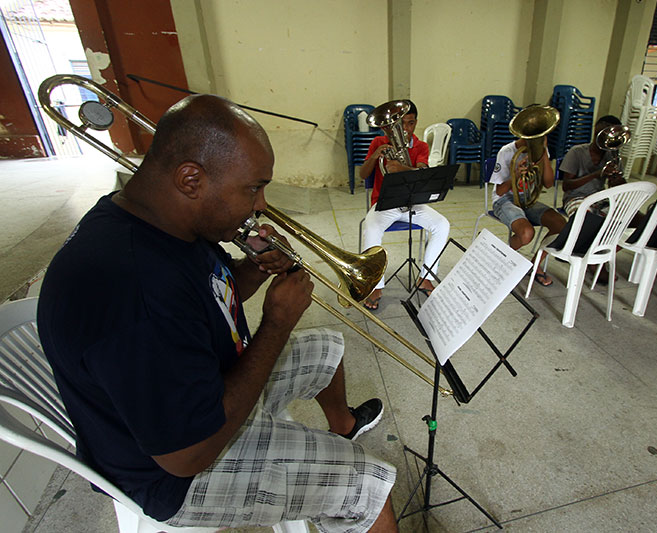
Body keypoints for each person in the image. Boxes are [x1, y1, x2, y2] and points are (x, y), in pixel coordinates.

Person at [36, 95, 399, 532]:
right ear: (191, 179)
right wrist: (277, 323)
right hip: (173, 473)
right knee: (370, 484)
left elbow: (210, 294)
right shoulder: (132, 292)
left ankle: (342, 426)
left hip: (202, 381)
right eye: (252, 188)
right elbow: (188, 456)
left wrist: (254, 269)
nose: (261, 204)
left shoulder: (162, 220)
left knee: (329, 347)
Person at [359, 100, 450, 310]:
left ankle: (425, 277)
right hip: (385, 203)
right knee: (371, 228)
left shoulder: (421, 146)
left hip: (413, 203)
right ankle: (376, 285)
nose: (405, 130)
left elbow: (422, 173)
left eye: (409, 123)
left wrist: (400, 168)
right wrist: (375, 156)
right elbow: (363, 174)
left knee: (441, 224)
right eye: (399, 125)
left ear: (415, 123)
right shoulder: (378, 143)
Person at [489, 130, 566, 286]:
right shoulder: (507, 151)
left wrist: (543, 154)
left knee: (561, 225)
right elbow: (500, 191)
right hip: (504, 200)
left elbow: (548, 183)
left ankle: (535, 265)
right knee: (526, 234)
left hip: (526, 199)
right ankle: (506, 255)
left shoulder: (540, 150)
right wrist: (515, 175)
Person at [560, 115, 630, 217]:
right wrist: (596, 174)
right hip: (576, 197)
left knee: (630, 215)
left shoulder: (612, 156)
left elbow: (617, 189)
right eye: (599, 134)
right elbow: (566, 186)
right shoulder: (577, 152)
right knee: (585, 219)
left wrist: (617, 180)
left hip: (600, 197)